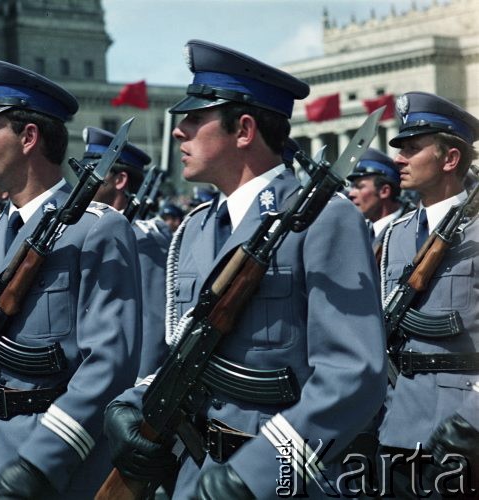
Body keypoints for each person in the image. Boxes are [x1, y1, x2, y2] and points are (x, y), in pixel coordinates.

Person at [102, 39, 387, 499]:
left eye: (195, 119)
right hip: (195, 471)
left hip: (276, 478)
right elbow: (185, 351)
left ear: (244, 129)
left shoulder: (324, 220)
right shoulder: (195, 228)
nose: (180, 132)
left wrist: (256, 473)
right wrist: (132, 404)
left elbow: (355, 375)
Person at [0, 59, 142, 499]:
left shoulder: (97, 229)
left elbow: (108, 365)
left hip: (61, 464)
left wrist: (40, 462)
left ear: (28, 137)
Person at [377, 91, 479, 498]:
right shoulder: (396, 234)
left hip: (462, 432)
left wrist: (471, 420)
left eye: (412, 149)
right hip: (397, 426)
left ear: (450, 159)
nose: (398, 159)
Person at [81, 126, 172, 378]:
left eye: (92, 174)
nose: (82, 182)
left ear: (120, 180)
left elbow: (151, 325)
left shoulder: (140, 240)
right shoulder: (94, 232)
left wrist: (135, 395)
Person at [348, 148, 407, 248]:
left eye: (360, 187)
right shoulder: (361, 232)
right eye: (353, 187)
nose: (351, 194)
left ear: (384, 191)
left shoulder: (407, 230)